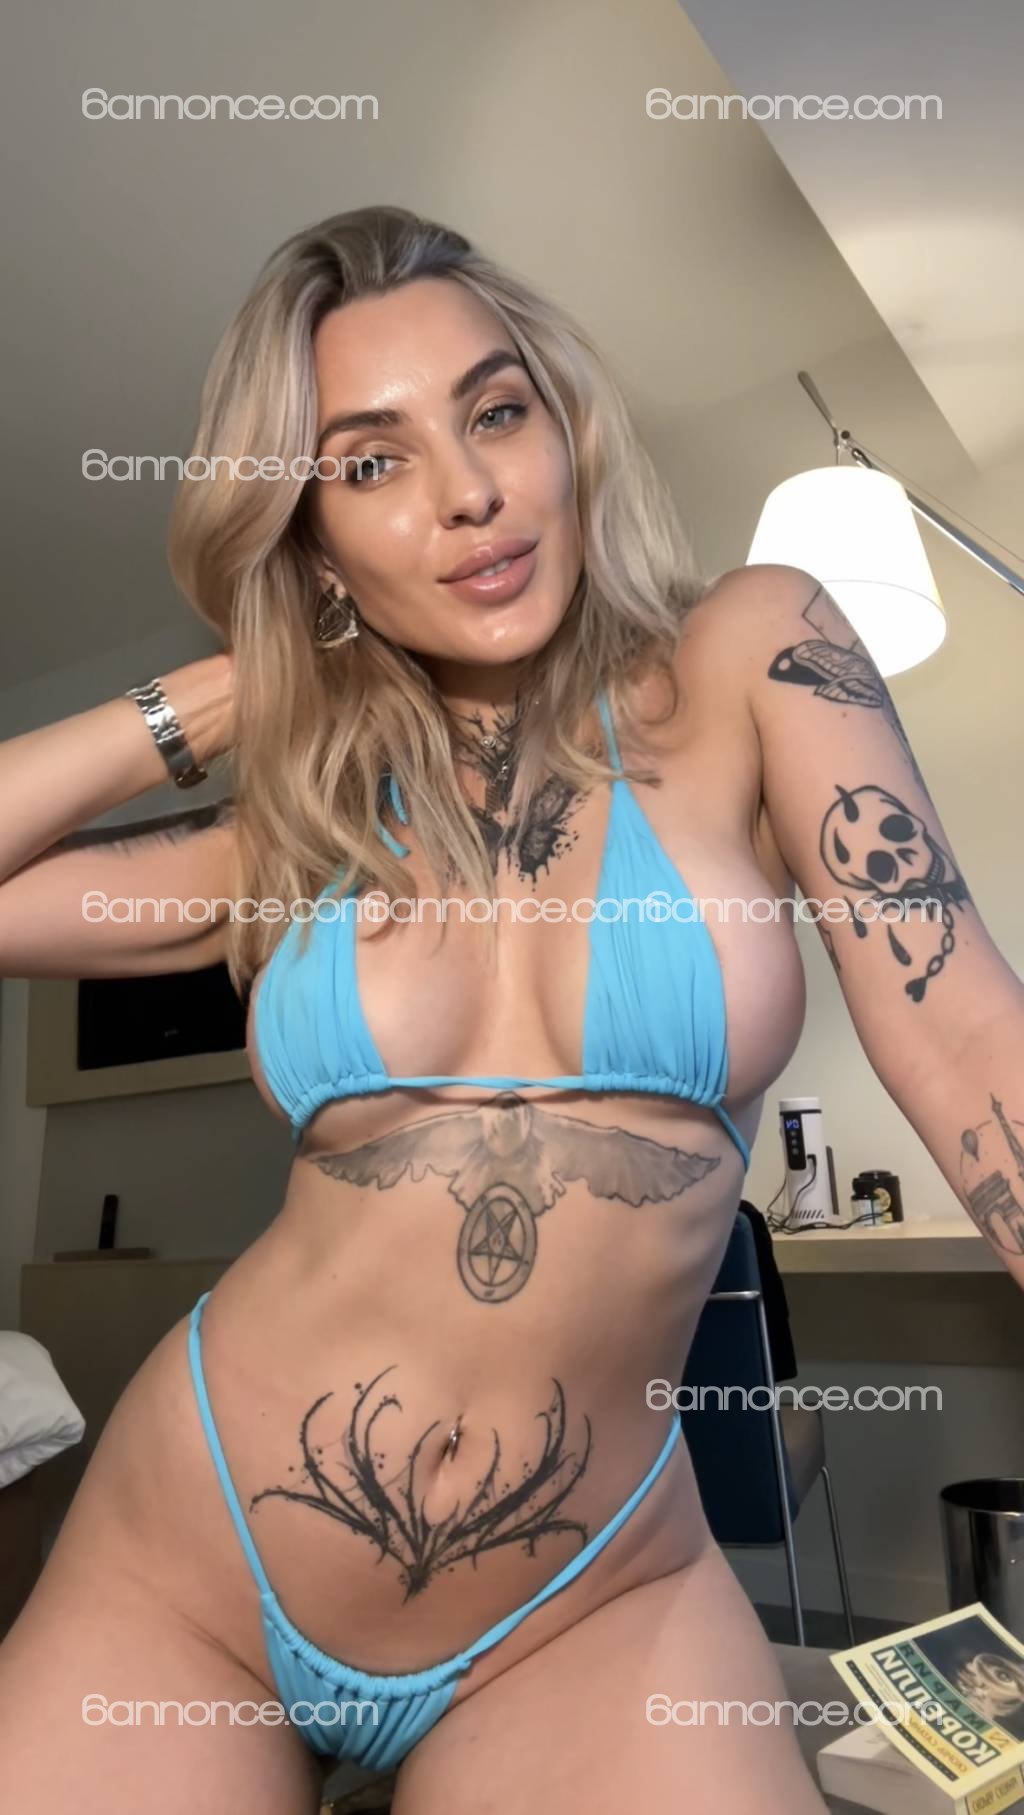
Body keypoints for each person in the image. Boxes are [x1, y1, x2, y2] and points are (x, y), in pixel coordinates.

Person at [1, 204, 1021, 1815]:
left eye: (495, 411)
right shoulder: (306, 826)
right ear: (310, 533)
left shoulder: (754, 650)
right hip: (190, 1573)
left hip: (588, 1607)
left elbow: (969, 1043)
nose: (467, 490)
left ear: (566, 428)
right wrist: (226, 691)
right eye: (370, 462)